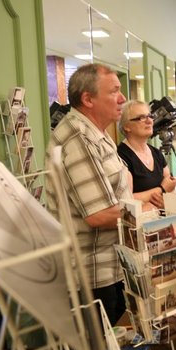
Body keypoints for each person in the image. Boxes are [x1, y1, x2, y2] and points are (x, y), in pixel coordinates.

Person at [45, 63, 131, 326]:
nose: (123, 98)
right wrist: (151, 215)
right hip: (92, 278)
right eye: (114, 91)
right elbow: (99, 214)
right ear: (88, 99)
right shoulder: (77, 137)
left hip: (111, 267)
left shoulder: (96, 133)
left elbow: (122, 187)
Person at [117, 100, 176, 209]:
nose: (149, 121)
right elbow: (126, 200)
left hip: (163, 220)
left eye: (150, 116)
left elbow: (171, 189)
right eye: (141, 117)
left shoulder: (157, 153)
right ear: (127, 126)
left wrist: (167, 202)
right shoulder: (121, 156)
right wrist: (161, 190)